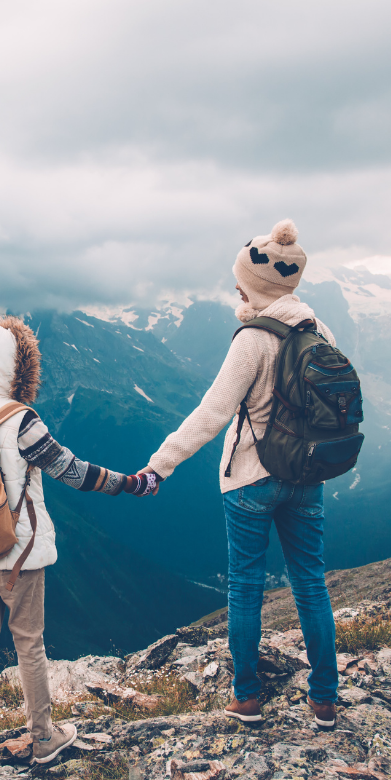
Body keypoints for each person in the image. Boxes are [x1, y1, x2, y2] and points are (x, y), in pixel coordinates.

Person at [139, 220, 339, 729]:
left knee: (246, 587)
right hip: (307, 474)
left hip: (251, 477)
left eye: (239, 281)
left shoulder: (253, 338)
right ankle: (324, 699)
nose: (235, 287)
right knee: (311, 584)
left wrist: (159, 465)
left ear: (258, 285)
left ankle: (247, 697)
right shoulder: (322, 331)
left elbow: (212, 413)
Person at [0, 316, 157, 778]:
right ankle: (43, 737)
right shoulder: (20, 419)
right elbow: (71, 470)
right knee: (30, 646)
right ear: (12, 364)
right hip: (20, 557)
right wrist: (127, 484)